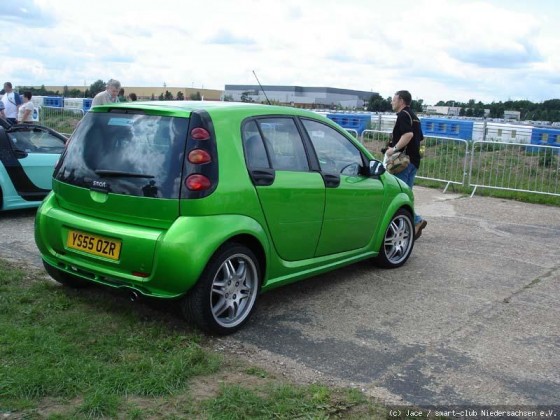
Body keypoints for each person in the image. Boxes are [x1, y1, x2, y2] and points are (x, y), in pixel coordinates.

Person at [386, 90, 427, 239]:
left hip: (403, 162)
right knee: (407, 194)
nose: (392, 102)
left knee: (399, 195)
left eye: (393, 99)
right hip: (414, 161)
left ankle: (415, 221)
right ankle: (412, 224)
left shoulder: (403, 115)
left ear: (401, 101)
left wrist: (394, 149)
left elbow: (408, 134)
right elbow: (420, 138)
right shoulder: (414, 116)